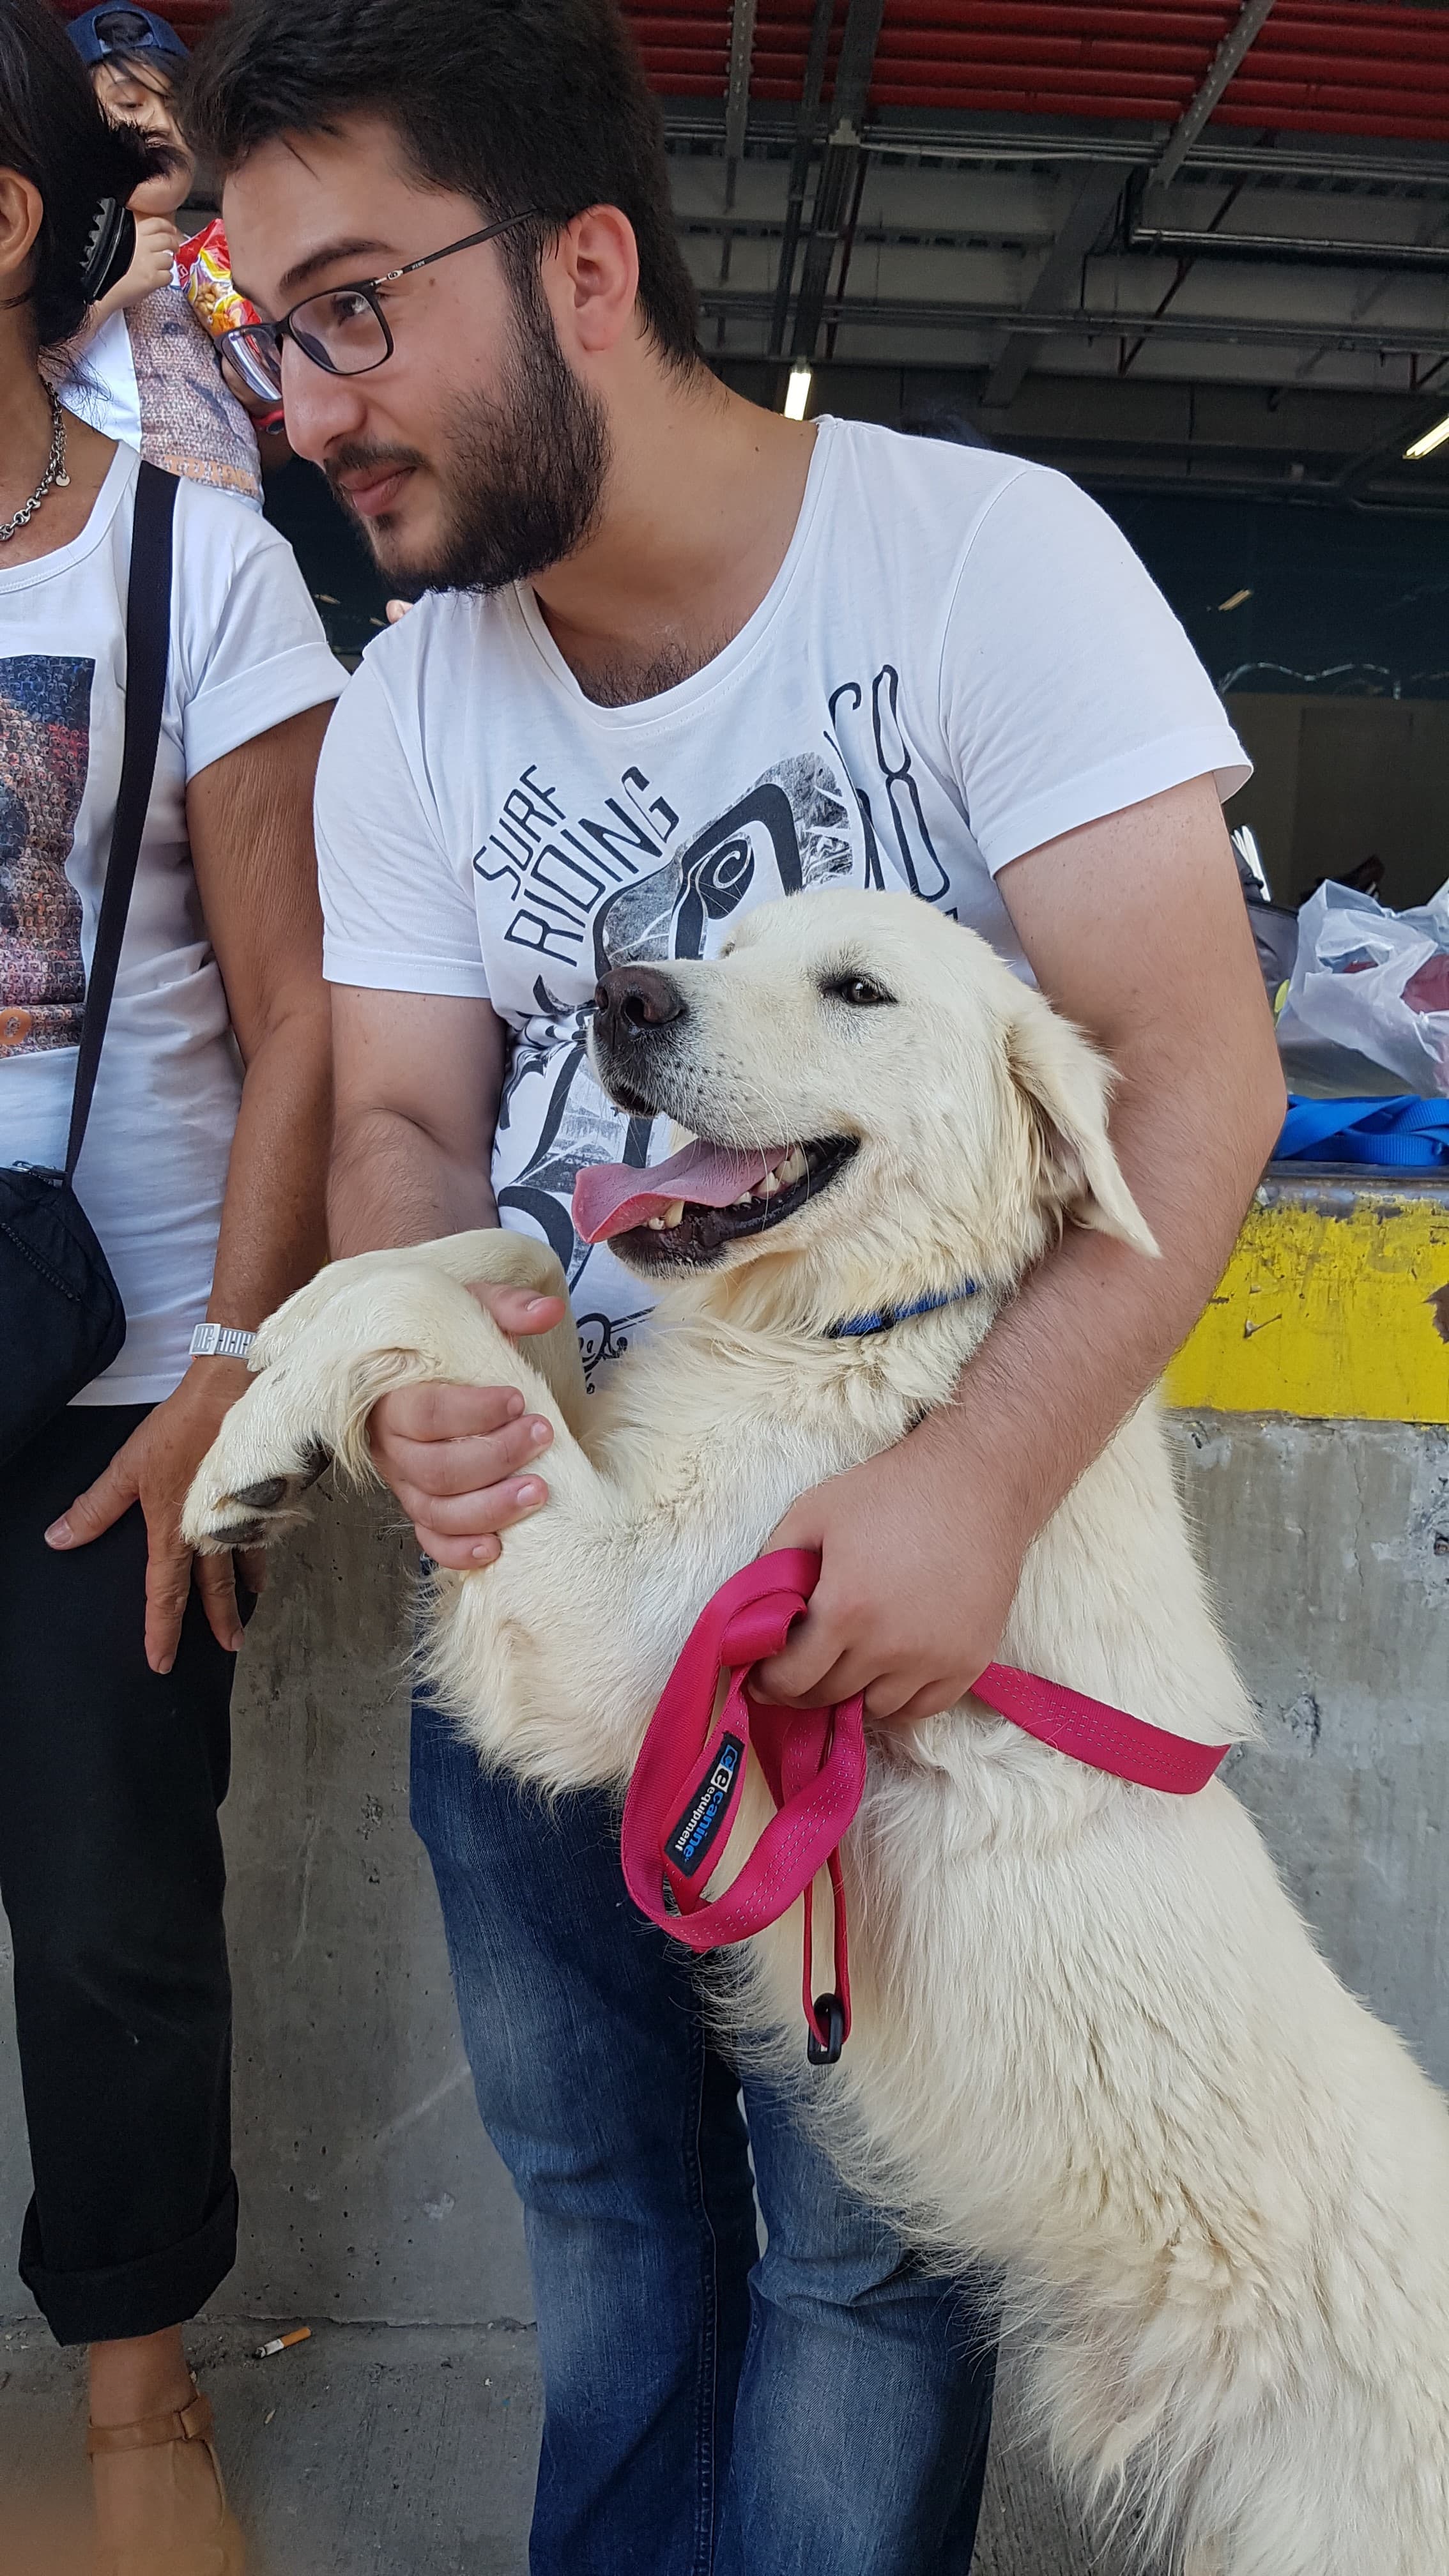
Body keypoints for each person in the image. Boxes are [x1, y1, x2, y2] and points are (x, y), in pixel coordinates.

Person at [190, 1, 1286, 2568]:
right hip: (558, 1579)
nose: (307, 407)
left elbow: (1195, 1074)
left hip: (894, 1620)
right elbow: (395, 1118)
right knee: (599, 2208)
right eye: (271, 338)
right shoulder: (409, 711)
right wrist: (416, 1375)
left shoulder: (984, 563)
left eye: (354, 308)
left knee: (865, 2252)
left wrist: (979, 1497)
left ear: (586, 266)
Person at [0, 4, 343, 2567]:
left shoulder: (186, 556)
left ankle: (138, 2402)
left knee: (118, 1904)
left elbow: (297, 991)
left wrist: (240, 1374)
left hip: (100, 1373)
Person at [56, 3, 277, 506]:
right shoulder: (48, 257)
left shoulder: (222, 263)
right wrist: (107, 297)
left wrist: (257, 396)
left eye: (177, 107)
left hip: (237, 520)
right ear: (65, 130)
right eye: (130, 104)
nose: (160, 122)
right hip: (112, 519)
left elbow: (275, 454)